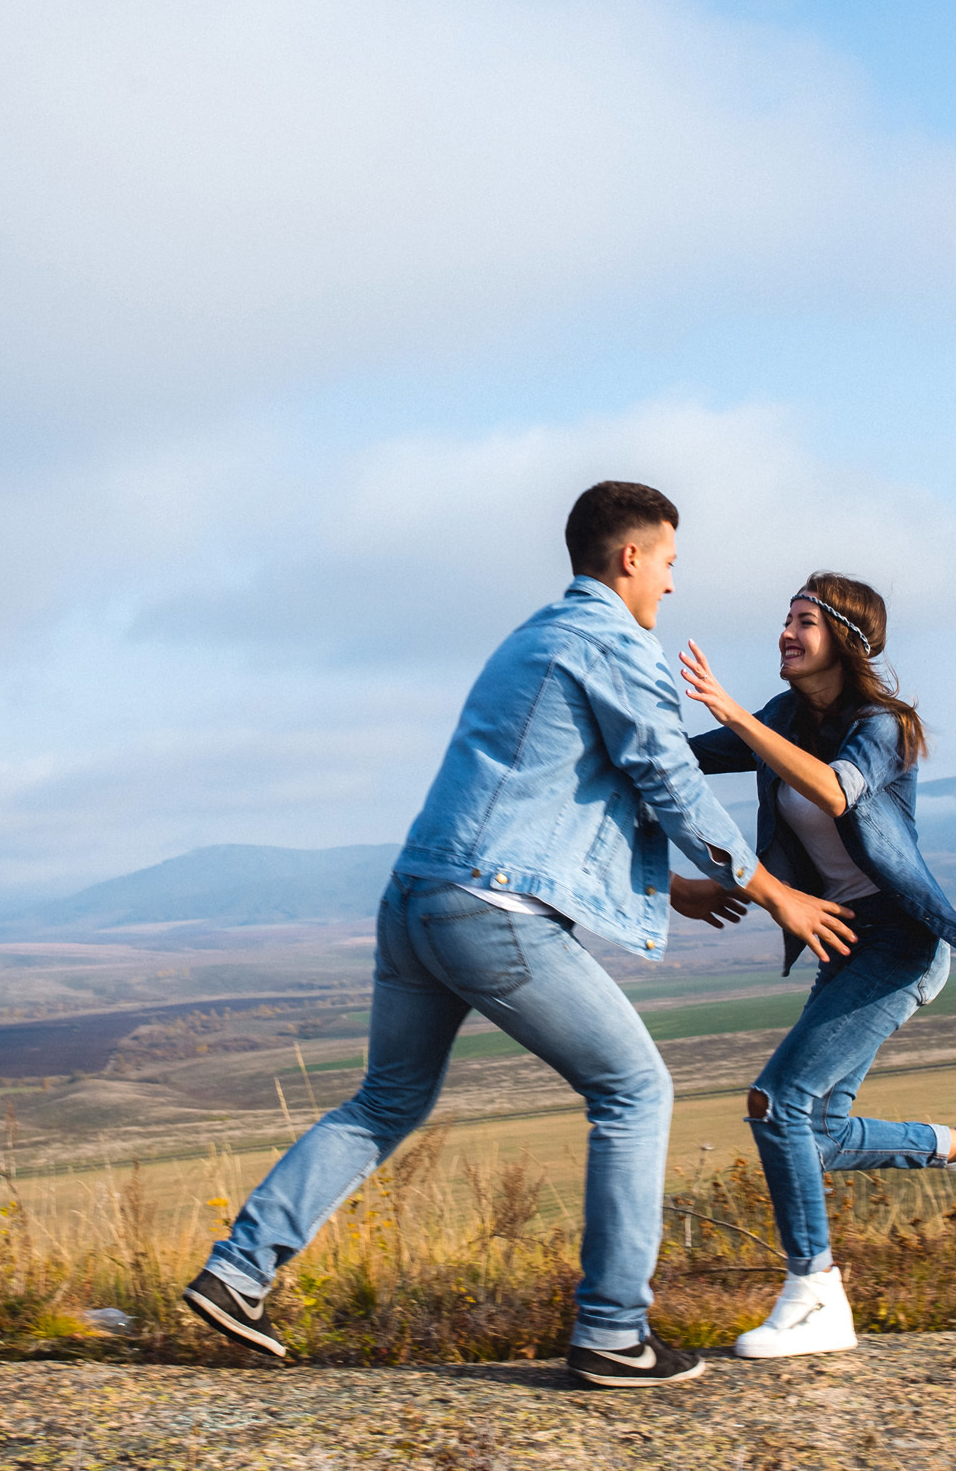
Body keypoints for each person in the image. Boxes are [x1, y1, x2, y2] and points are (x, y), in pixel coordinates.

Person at [182, 482, 855, 1387]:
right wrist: (772, 890)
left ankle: (238, 1272)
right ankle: (613, 1332)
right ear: (629, 557)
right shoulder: (616, 644)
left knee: (387, 1101)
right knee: (634, 1090)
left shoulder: (535, 636)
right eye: (667, 562)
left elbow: (565, 793)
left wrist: (674, 891)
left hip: (417, 899)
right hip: (488, 911)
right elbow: (666, 780)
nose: (669, 581)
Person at [679, 573, 956, 1360]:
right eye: (785, 619)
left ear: (845, 639)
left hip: (900, 941)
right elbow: (681, 761)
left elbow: (837, 792)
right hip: (842, 936)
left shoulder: (885, 726)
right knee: (816, 1132)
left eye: (803, 621)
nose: (785, 633)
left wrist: (733, 711)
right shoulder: (786, 718)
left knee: (778, 1104)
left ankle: (815, 1298)